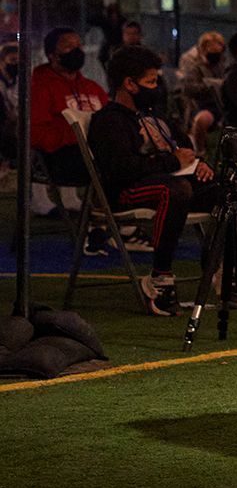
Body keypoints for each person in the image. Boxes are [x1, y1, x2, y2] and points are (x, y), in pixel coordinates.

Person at [88, 45, 217, 315]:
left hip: (172, 180)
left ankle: (221, 267)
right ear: (129, 84)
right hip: (129, 191)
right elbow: (121, 169)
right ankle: (160, 278)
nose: (157, 87)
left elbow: (185, 149)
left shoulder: (155, 116)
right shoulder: (109, 121)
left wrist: (199, 165)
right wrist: (173, 162)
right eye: (151, 81)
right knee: (176, 190)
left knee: (236, 189)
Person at [29, 26, 110, 195]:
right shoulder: (40, 88)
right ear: (52, 55)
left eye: (79, 46)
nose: (76, 51)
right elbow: (36, 132)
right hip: (62, 158)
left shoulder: (92, 88)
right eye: (68, 46)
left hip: (96, 151)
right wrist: (75, 137)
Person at [176, 30, 228, 149]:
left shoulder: (224, 65)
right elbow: (188, 88)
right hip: (204, 105)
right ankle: (200, 152)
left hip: (224, 105)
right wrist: (210, 86)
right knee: (202, 119)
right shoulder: (195, 67)